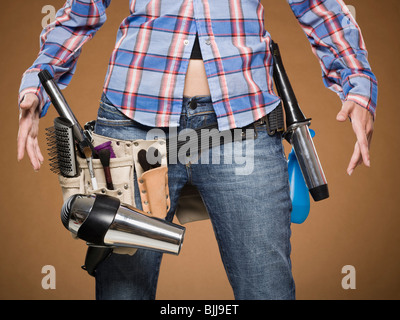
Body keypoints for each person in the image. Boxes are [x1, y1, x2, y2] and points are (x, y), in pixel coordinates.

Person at [17, 0, 377, 300]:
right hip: (133, 120)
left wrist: (357, 82)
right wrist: (38, 81)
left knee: (267, 289)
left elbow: (318, 7)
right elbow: (82, 9)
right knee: (123, 291)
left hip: (243, 121)